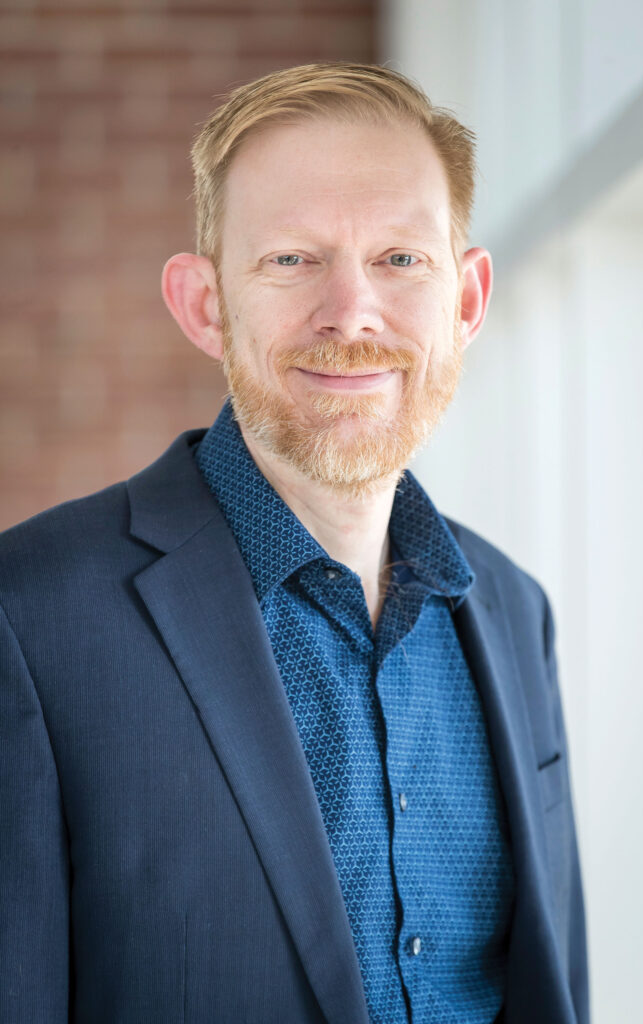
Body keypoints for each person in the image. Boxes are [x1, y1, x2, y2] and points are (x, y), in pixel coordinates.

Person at [0, 63, 589, 1024]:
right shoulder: (27, 616)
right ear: (205, 305)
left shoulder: (516, 613)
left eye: (402, 259)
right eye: (291, 260)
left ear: (467, 301)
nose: (350, 313)